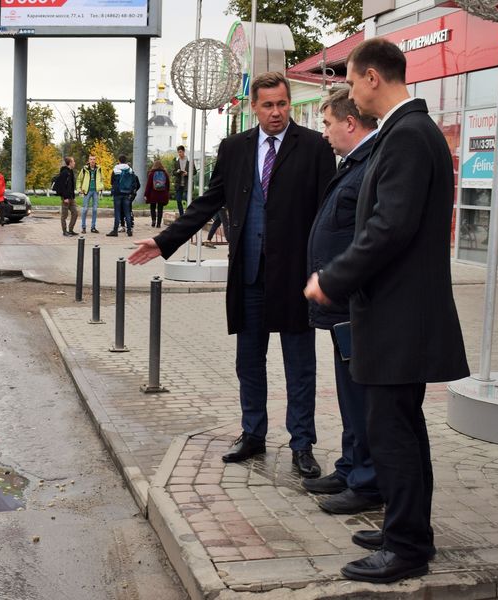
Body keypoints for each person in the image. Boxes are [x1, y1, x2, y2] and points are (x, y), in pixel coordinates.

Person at [305, 38, 469, 584]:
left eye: (352, 82)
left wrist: (333, 278)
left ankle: (406, 548)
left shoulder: (407, 136)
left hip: (400, 318)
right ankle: (406, 527)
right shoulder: (409, 133)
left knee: (393, 432)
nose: (350, 94)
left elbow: (389, 227)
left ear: (373, 77)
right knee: (402, 429)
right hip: (400, 316)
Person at [128, 72, 336, 479]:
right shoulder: (235, 147)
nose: (276, 113)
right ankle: (253, 433)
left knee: (300, 364)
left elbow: (328, 212)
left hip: (296, 278)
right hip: (248, 275)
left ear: (288, 103)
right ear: (253, 108)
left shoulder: (313, 146)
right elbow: (209, 200)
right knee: (248, 360)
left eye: (281, 104)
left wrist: (327, 272)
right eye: (267, 105)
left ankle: (302, 444)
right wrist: (165, 241)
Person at [303, 87, 381, 515]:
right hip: (340, 307)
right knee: (348, 394)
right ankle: (352, 466)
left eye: (328, 123)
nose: (325, 133)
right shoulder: (353, 164)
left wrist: (335, 279)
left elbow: (369, 239)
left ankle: (368, 480)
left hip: (354, 304)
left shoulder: (370, 165)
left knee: (360, 395)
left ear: (349, 123)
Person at [108, 155, 136, 237]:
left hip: (117, 193)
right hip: (127, 193)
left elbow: (112, 181)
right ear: (126, 161)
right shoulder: (130, 170)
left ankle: (115, 230)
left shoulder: (116, 169)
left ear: (119, 160)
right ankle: (129, 230)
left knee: (117, 212)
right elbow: (134, 182)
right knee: (127, 212)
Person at [77, 154, 104, 233]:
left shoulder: (99, 169)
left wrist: (101, 186)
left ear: (95, 160)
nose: (92, 161)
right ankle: (83, 227)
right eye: (91, 159)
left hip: (95, 191)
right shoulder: (84, 169)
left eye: (94, 159)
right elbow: (79, 179)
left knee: (95, 210)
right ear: (89, 160)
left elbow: (102, 179)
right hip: (87, 191)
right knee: (85, 209)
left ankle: (93, 227)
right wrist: (79, 189)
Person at [144, 159, 170, 228]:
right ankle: (158, 223)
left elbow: (148, 185)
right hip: (162, 193)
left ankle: (153, 221)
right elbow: (168, 185)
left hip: (153, 194)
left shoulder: (151, 174)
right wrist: (167, 193)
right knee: (160, 209)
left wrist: (146, 194)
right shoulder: (165, 173)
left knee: (152, 207)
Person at [56, 156, 78, 237]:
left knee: (75, 213)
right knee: (64, 215)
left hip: (71, 197)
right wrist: (65, 197)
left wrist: (72, 196)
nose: (74, 163)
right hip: (65, 198)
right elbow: (61, 186)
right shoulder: (64, 172)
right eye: (73, 161)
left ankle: (71, 230)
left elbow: (71, 186)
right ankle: (64, 231)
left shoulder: (71, 172)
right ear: (70, 163)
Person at [172, 145, 194, 216]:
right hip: (179, 184)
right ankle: (182, 215)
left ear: (184, 151)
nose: (179, 153)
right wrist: (177, 172)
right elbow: (173, 172)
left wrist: (187, 173)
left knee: (187, 199)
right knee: (178, 200)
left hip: (187, 184)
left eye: (180, 152)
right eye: (178, 152)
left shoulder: (189, 161)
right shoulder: (176, 162)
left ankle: (188, 214)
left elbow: (195, 172)